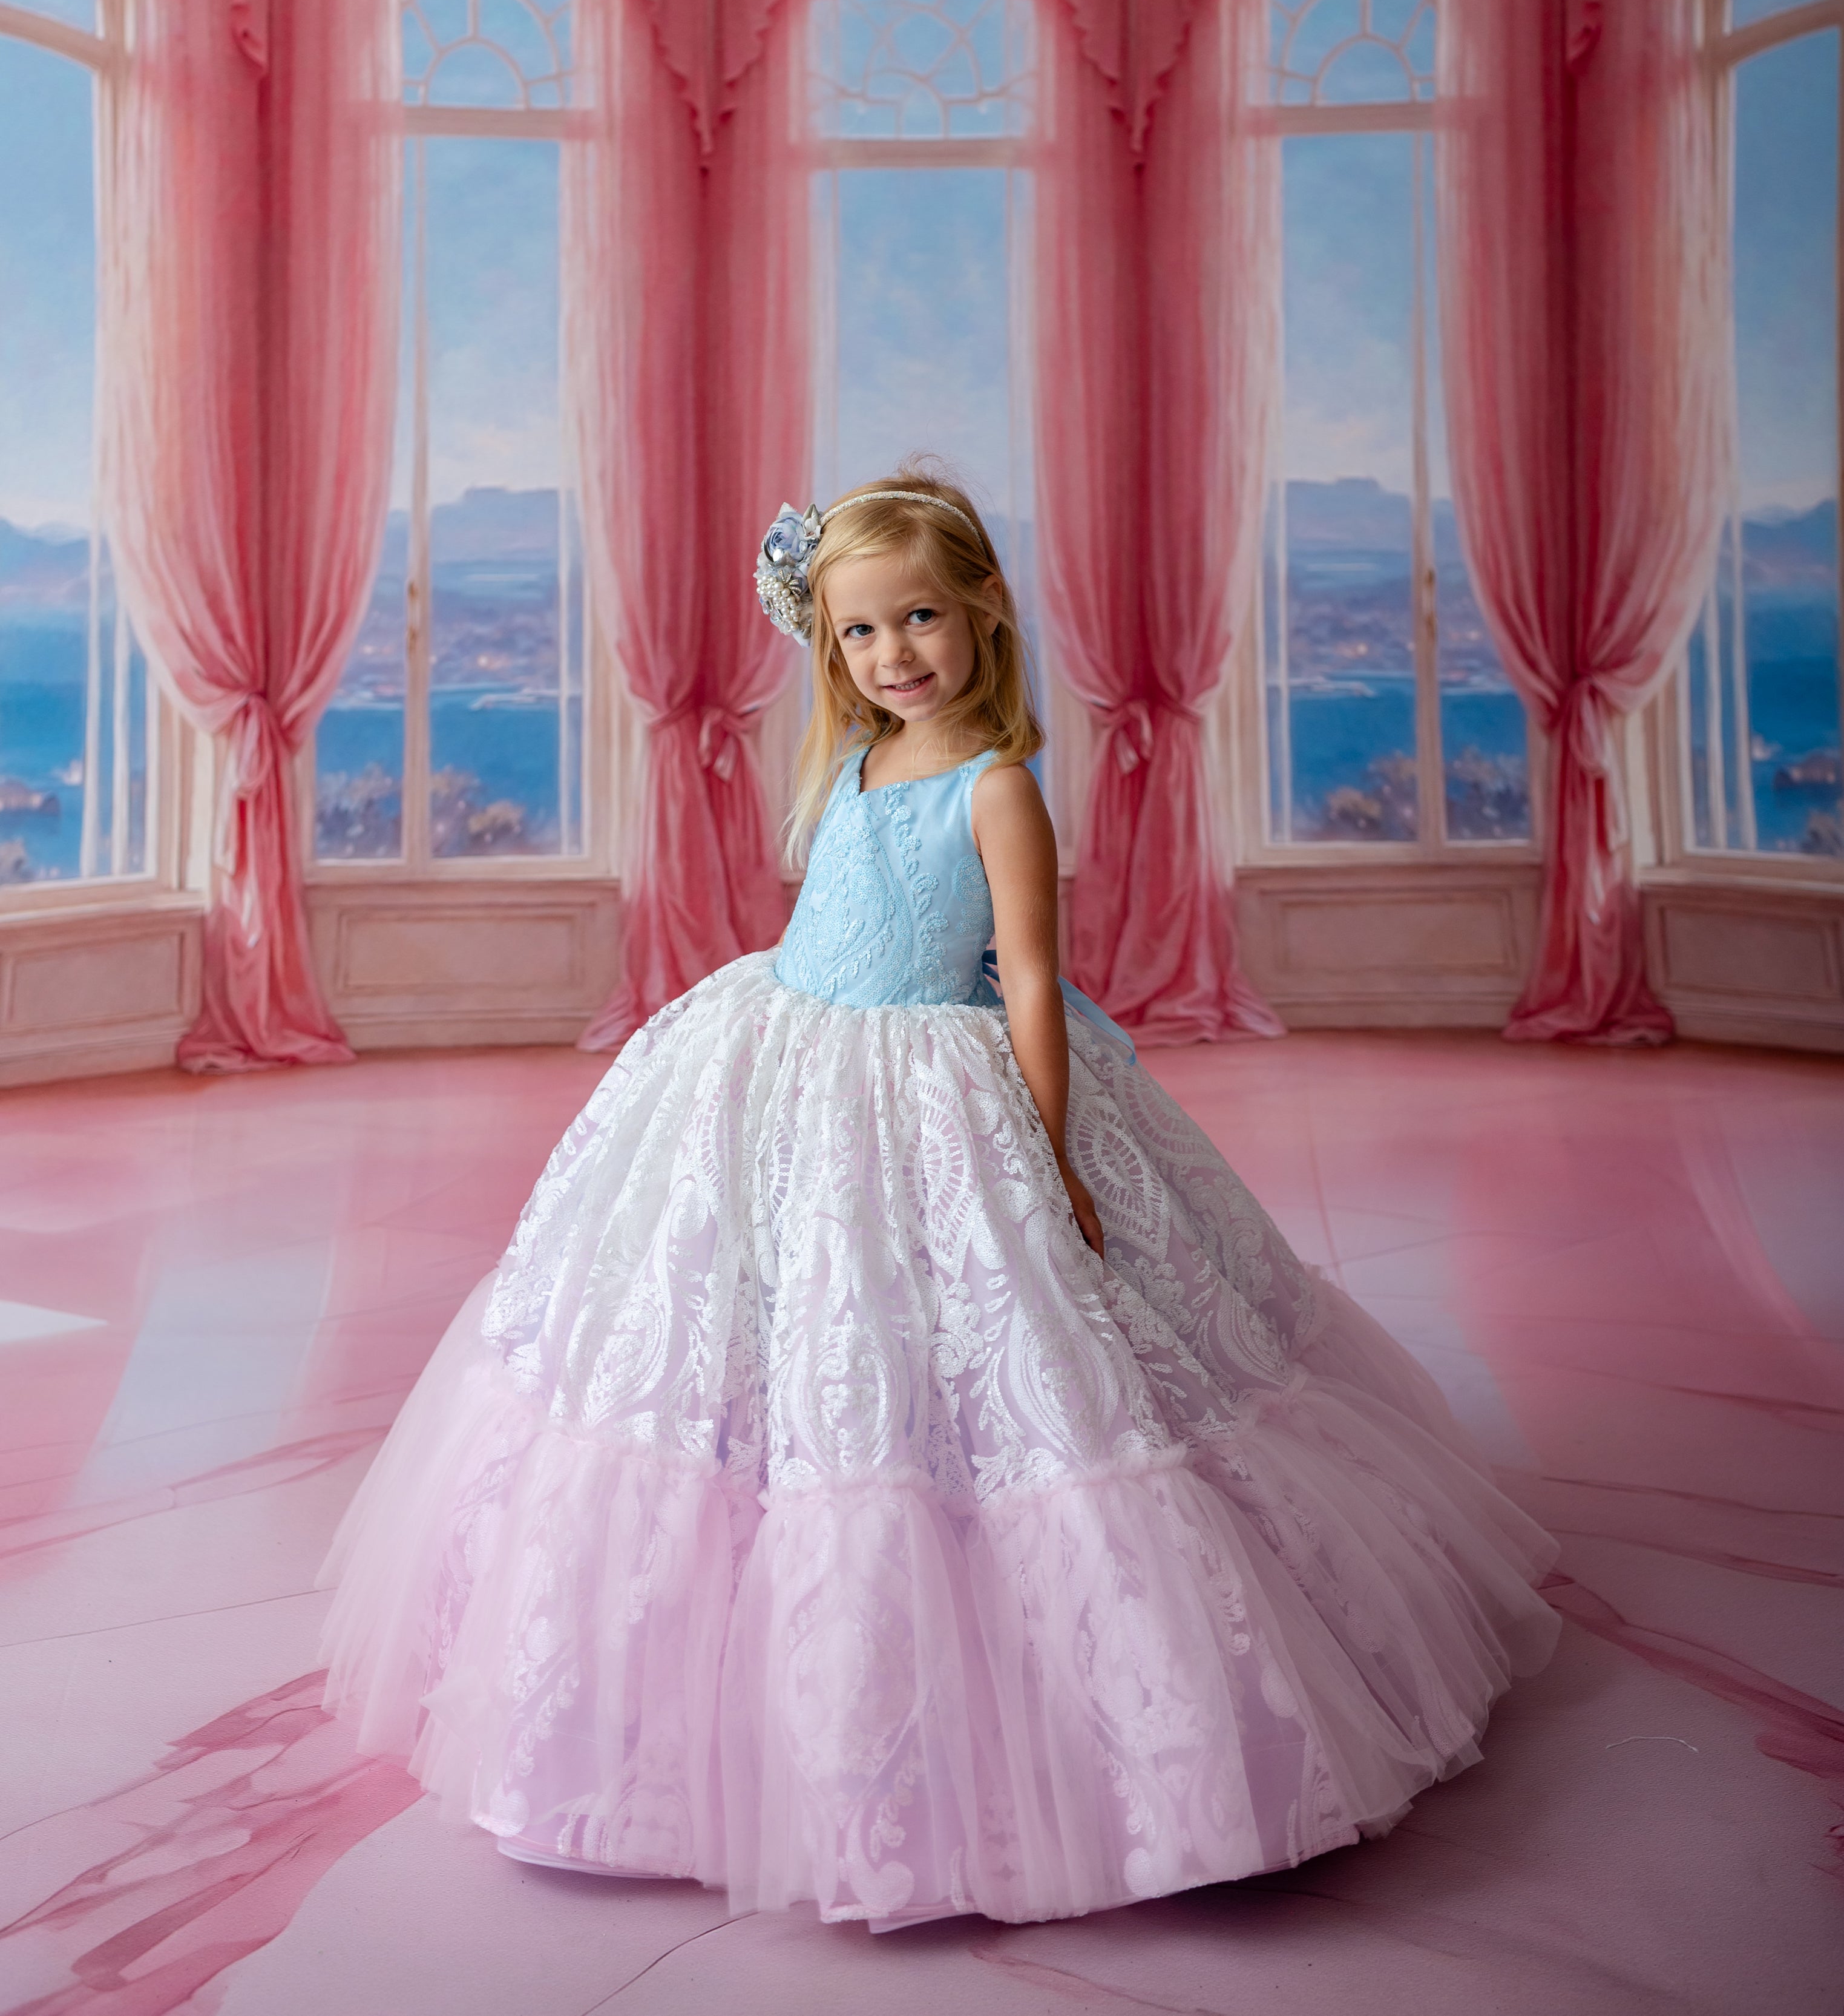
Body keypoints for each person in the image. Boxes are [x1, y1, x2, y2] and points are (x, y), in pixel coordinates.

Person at [319, 473, 1558, 1930]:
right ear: (829, 649)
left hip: (939, 1091)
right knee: (744, 1350)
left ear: (981, 612)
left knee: (1003, 1378)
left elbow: (1027, 982)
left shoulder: (997, 788)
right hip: (777, 1068)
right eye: (858, 633)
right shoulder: (852, 766)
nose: (893, 653)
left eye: (919, 618)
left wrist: (1047, 1157)